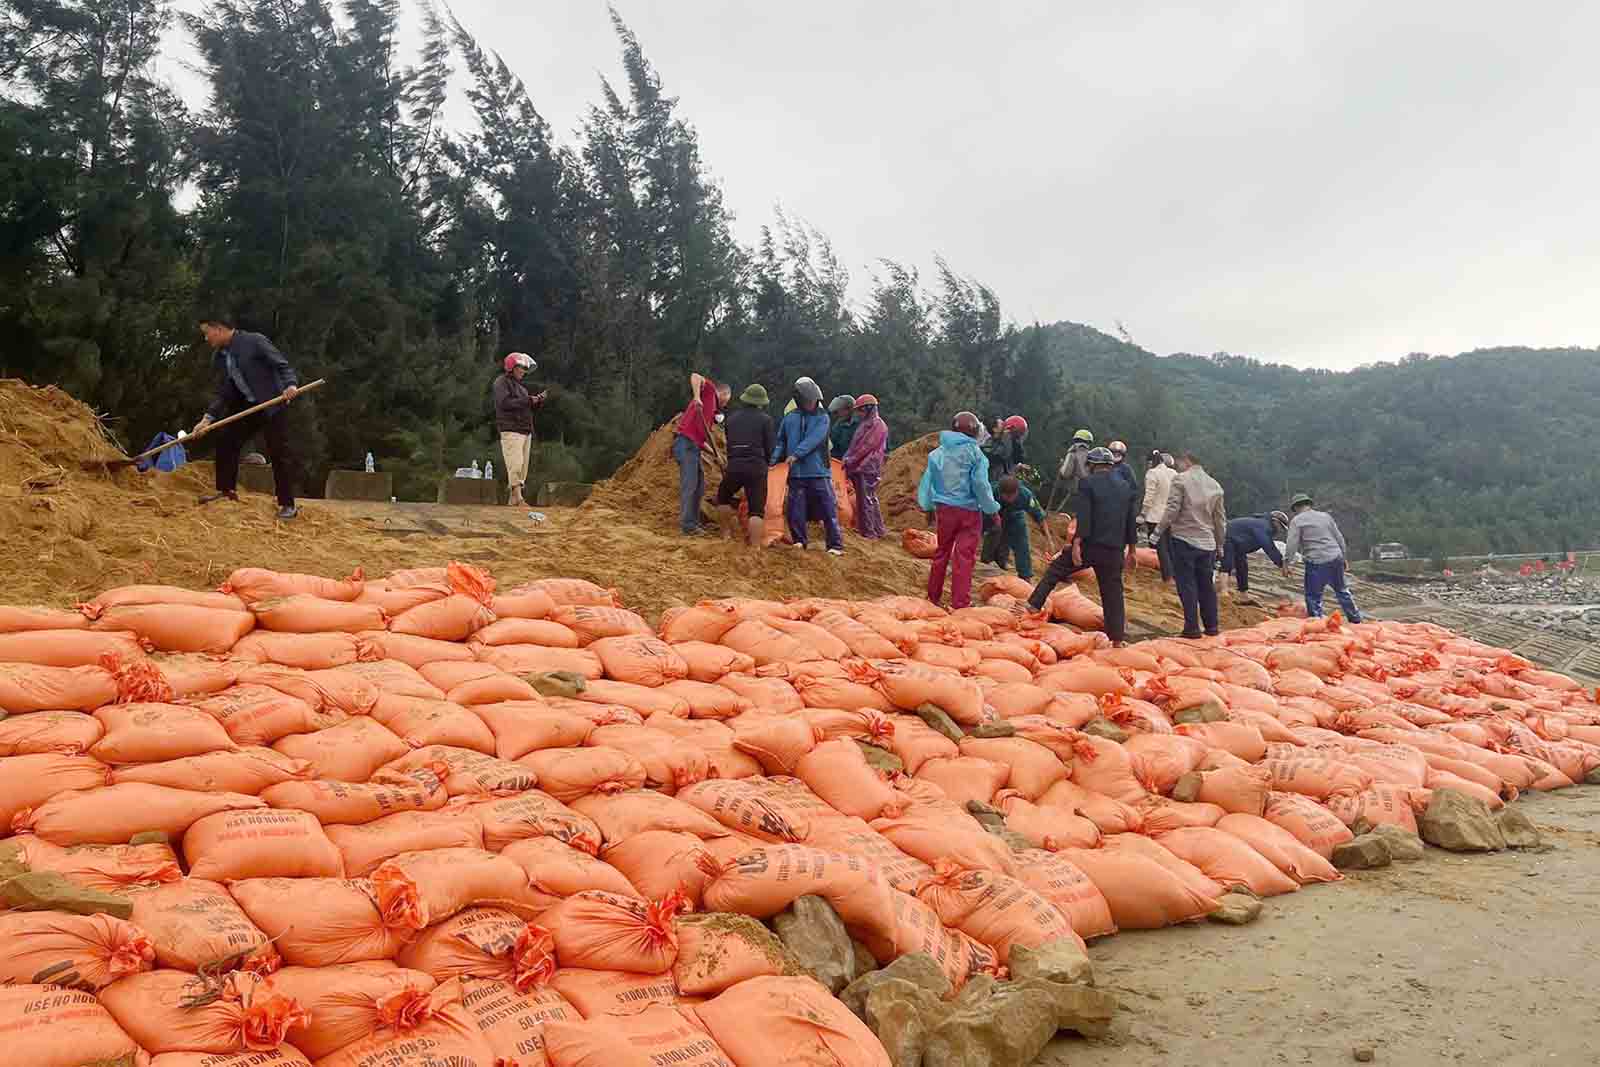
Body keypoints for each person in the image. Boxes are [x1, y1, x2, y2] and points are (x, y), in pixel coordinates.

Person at [193, 315, 302, 520]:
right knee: (227, 441)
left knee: (278, 452)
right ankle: (226, 491)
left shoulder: (254, 341)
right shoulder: (221, 356)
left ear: (219, 328)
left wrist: (290, 384)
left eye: (207, 333)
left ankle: (288, 504)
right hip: (248, 407)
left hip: (272, 404)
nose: (206, 338)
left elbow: (281, 365)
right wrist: (208, 418)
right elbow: (225, 391)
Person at [1026, 448, 1138, 645]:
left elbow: (1084, 516)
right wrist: (1133, 550)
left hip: (1090, 546)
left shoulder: (1087, 483)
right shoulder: (1125, 487)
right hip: (1114, 550)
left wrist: (1076, 543)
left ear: (1092, 465)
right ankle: (1117, 640)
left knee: (1055, 570)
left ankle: (1034, 606)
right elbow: (1130, 521)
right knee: (1113, 594)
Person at [918, 411, 1000, 609]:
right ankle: (960, 603)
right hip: (969, 512)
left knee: (941, 553)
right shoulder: (975, 454)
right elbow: (981, 485)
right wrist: (992, 509)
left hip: (944, 510)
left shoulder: (937, 454)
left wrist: (928, 506)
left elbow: (927, 483)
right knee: (963, 557)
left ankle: (933, 597)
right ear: (974, 432)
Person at [1155, 451, 1228, 638]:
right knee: (1206, 585)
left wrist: (1158, 532)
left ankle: (1192, 628)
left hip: (1184, 539)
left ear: (1186, 461)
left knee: (1187, 584)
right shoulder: (1215, 485)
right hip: (1208, 544)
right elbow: (1220, 520)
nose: (1178, 465)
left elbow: (1172, 509)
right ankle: (1212, 627)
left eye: (1179, 461)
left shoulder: (1181, 480)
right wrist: (1220, 544)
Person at [772, 376, 843, 554]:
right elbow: (780, 441)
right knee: (796, 509)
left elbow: (814, 439)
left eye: (814, 401)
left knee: (828, 509)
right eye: (808, 401)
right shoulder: (789, 419)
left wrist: (796, 454)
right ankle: (799, 541)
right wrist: (773, 462)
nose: (812, 404)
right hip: (796, 473)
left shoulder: (823, 418)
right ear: (799, 400)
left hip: (819, 471)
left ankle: (835, 545)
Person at [1282, 493, 1364, 621]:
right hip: (1335, 557)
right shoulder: (1325, 516)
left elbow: (1292, 544)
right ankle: (1355, 619)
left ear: (1296, 508)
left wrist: (1286, 563)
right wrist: (1344, 557)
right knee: (1342, 590)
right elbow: (1339, 538)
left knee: (1313, 596)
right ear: (1309, 504)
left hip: (1317, 561)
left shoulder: (1297, 521)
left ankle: (1316, 623)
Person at [714, 384, 776, 547]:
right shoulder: (766, 420)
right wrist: (768, 464)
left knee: (723, 497)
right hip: (757, 467)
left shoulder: (732, 419)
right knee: (756, 510)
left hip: (735, 466)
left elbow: (729, 442)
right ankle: (755, 548)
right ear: (761, 402)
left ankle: (725, 535)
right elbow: (770, 449)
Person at [672, 371, 732, 536]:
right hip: (684, 443)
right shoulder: (710, 391)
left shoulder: (711, 414)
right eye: (728, 399)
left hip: (694, 447)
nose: (726, 404)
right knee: (690, 484)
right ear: (724, 392)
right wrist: (697, 396)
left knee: (699, 485)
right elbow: (695, 376)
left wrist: (715, 454)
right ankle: (688, 526)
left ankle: (694, 522)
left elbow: (701, 439)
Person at [493, 352, 546, 507]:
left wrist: (537, 401)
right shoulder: (501, 382)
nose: (524, 371)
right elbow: (505, 403)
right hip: (511, 429)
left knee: (523, 467)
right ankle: (519, 497)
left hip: (525, 430)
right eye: (521, 368)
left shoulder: (521, 388)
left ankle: (513, 499)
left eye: (524, 368)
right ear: (512, 367)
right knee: (515, 463)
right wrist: (528, 400)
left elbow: (526, 407)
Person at [980, 415, 1028, 563]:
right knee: (994, 525)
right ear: (994, 428)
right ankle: (987, 559)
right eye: (1001, 423)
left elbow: (1017, 456)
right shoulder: (989, 444)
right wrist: (1007, 437)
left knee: (1005, 524)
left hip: (1005, 487)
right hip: (994, 488)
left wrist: (1013, 439)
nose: (1004, 423)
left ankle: (1000, 559)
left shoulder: (1006, 442)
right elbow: (1002, 455)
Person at [841, 393, 888, 539]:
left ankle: (871, 532)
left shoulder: (877, 425)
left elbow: (865, 447)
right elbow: (854, 445)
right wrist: (847, 458)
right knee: (866, 499)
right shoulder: (866, 424)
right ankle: (873, 530)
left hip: (868, 467)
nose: (859, 413)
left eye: (861, 410)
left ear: (868, 408)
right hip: (860, 466)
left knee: (867, 500)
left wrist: (850, 459)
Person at [1219, 511, 1288, 601]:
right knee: (1227, 564)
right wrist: (1281, 564)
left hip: (1238, 544)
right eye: (1281, 527)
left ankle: (1243, 594)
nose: (1280, 530)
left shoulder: (1264, 525)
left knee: (1243, 567)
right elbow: (1268, 546)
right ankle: (1223, 591)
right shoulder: (1263, 525)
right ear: (1275, 521)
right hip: (1227, 538)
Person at [993, 475, 1049, 581]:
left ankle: (1025, 575)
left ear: (1017, 492)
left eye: (1012, 496)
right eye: (1006, 496)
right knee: (995, 539)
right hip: (995, 514)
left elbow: (1039, 516)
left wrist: (1049, 539)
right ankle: (993, 564)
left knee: (1022, 544)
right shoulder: (992, 491)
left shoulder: (1026, 495)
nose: (1009, 499)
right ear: (1000, 493)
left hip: (1015, 516)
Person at [1139, 449, 1176, 542]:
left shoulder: (1152, 473)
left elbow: (1149, 496)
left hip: (1155, 517)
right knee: (1169, 548)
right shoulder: (1174, 473)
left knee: (1157, 549)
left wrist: (1142, 514)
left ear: (1151, 462)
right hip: (1171, 518)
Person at [1055, 429, 1093, 512]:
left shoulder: (1072, 453)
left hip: (1074, 494)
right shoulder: (1092, 456)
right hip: (1089, 495)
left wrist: (1061, 466)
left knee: (1062, 517)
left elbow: (1066, 473)